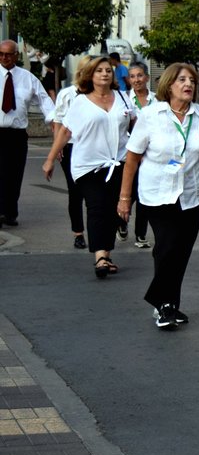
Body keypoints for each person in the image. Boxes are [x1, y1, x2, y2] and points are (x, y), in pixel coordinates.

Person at [117, 64, 199, 329]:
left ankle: (169, 304)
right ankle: (162, 303)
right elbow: (132, 158)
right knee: (167, 247)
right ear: (169, 85)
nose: (188, 84)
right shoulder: (151, 115)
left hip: (192, 194)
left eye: (191, 80)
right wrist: (124, 197)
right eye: (182, 80)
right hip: (158, 193)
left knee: (181, 251)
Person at [41, 56, 135, 278]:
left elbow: (135, 125)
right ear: (90, 75)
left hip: (119, 163)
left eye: (108, 70)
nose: (104, 74)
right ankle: (100, 256)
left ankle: (106, 254)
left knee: (114, 210)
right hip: (88, 165)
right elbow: (65, 131)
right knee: (96, 207)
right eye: (99, 70)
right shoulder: (81, 102)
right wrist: (50, 159)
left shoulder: (123, 98)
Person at [0, 39, 55, 226]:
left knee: (14, 174)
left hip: (17, 135)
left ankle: (10, 212)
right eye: (1, 54)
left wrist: (54, 121)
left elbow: (44, 100)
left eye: (8, 54)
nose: (4, 58)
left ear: (16, 55)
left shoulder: (28, 78)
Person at [49, 81, 86, 248]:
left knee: (97, 194)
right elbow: (58, 122)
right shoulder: (67, 94)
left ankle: (99, 232)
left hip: (94, 147)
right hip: (70, 146)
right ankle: (78, 233)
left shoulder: (102, 93)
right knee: (75, 190)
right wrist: (57, 147)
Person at [125, 62, 155, 248]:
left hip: (150, 155)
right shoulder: (123, 100)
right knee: (130, 193)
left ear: (147, 78)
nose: (136, 80)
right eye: (133, 76)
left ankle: (140, 235)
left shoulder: (158, 100)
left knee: (143, 194)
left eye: (140, 75)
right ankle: (121, 222)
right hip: (130, 154)